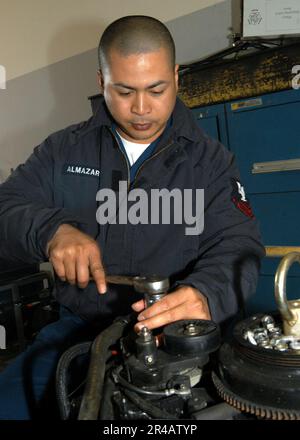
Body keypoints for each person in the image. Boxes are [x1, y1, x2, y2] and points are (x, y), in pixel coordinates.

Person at [0, 16, 265, 419]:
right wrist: (50, 230)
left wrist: (206, 294)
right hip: (80, 328)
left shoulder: (209, 162)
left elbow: (238, 245)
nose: (141, 109)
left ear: (175, 77)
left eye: (156, 90)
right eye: (123, 91)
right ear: (102, 80)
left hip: (178, 336)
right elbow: (7, 205)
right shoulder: (61, 152)